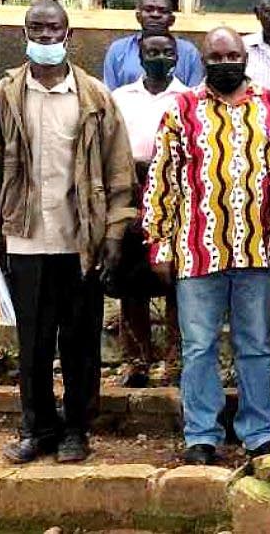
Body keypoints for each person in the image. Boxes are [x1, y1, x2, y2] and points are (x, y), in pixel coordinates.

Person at [0, 0, 134, 464]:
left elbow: (118, 170)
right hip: (24, 238)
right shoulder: (3, 97)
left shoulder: (94, 98)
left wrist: (112, 234)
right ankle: (37, 427)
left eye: (54, 30)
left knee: (79, 341)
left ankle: (75, 430)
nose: (45, 38)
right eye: (37, 30)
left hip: (80, 243)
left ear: (70, 37)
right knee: (32, 341)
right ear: (24, 35)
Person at [143, 27, 270, 465]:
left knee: (256, 344)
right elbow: (162, 179)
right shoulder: (182, 109)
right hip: (198, 248)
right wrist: (159, 243)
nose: (226, 63)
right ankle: (202, 434)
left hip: (257, 248)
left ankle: (258, 431)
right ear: (204, 60)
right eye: (217, 56)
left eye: (233, 55)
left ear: (244, 58)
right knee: (198, 347)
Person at [108, 29, 188, 388]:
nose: (160, 58)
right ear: (139, 57)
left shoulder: (189, 98)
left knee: (176, 280)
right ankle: (136, 359)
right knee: (131, 281)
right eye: (152, 52)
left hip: (178, 196)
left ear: (177, 57)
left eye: (167, 52)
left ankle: (174, 358)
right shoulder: (120, 98)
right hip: (130, 194)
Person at [101, 0, 204, 89]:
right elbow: (110, 93)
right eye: (149, 10)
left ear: (172, 20)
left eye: (162, 11)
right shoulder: (118, 50)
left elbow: (196, 95)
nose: (155, 15)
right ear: (138, 17)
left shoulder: (189, 52)